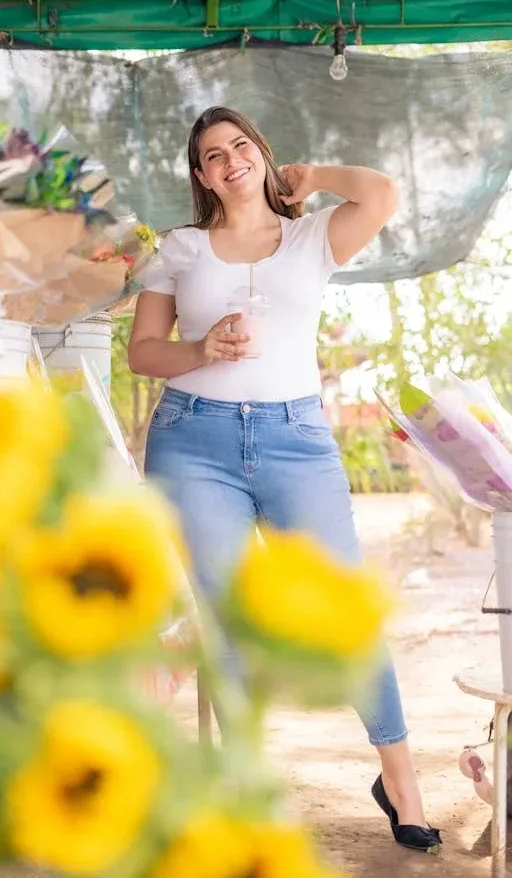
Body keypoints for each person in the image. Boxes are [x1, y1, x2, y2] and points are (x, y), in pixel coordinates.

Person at [128, 106, 441, 852]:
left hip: (296, 439)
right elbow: (144, 351)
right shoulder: (179, 247)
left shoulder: (311, 236)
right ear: (200, 177)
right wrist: (201, 348)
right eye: (212, 155)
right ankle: (243, 790)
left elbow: (383, 194)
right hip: (192, 442)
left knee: (344, 611)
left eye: (241, 145)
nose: (229, 160)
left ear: (262, 155)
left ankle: (401, 784)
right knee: (228, 623)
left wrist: (313, 178)